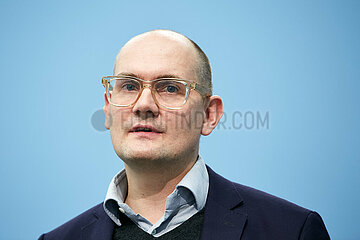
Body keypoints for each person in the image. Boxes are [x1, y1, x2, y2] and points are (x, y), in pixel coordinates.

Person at [38, 29, 330, 240]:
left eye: (170, 88)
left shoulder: (292, 230)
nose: (143, 106)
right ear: (107, 109)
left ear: (209, 115)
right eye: (128, 86)